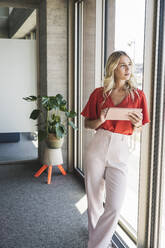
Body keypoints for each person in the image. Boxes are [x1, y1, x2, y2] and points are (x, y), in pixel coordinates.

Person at [81, 51, 150, 248]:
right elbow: (87, 124)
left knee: (115, 205)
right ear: (113, 68)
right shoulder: (98, 94)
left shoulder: (138, 95)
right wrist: (101, 120)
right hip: (98, 145)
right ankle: (98, 244)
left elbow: (140, 126)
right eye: (123, 65)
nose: (128, 69)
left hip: (121, 148)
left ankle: (95, 244)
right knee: (94, 200)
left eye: (129, 64)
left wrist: (136, 125)